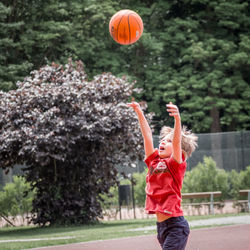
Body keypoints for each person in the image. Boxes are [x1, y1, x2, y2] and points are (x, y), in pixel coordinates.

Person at [127, 101, 198, 250]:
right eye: (163, 140)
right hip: (161, 227)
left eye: (168, 141)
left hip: (175, 226)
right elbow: (147, 136)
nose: (163, 142)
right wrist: (139, 112)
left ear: (180, 150)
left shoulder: (175, 165)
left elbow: (178, 142)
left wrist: (177, 119)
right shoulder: (153, 161)